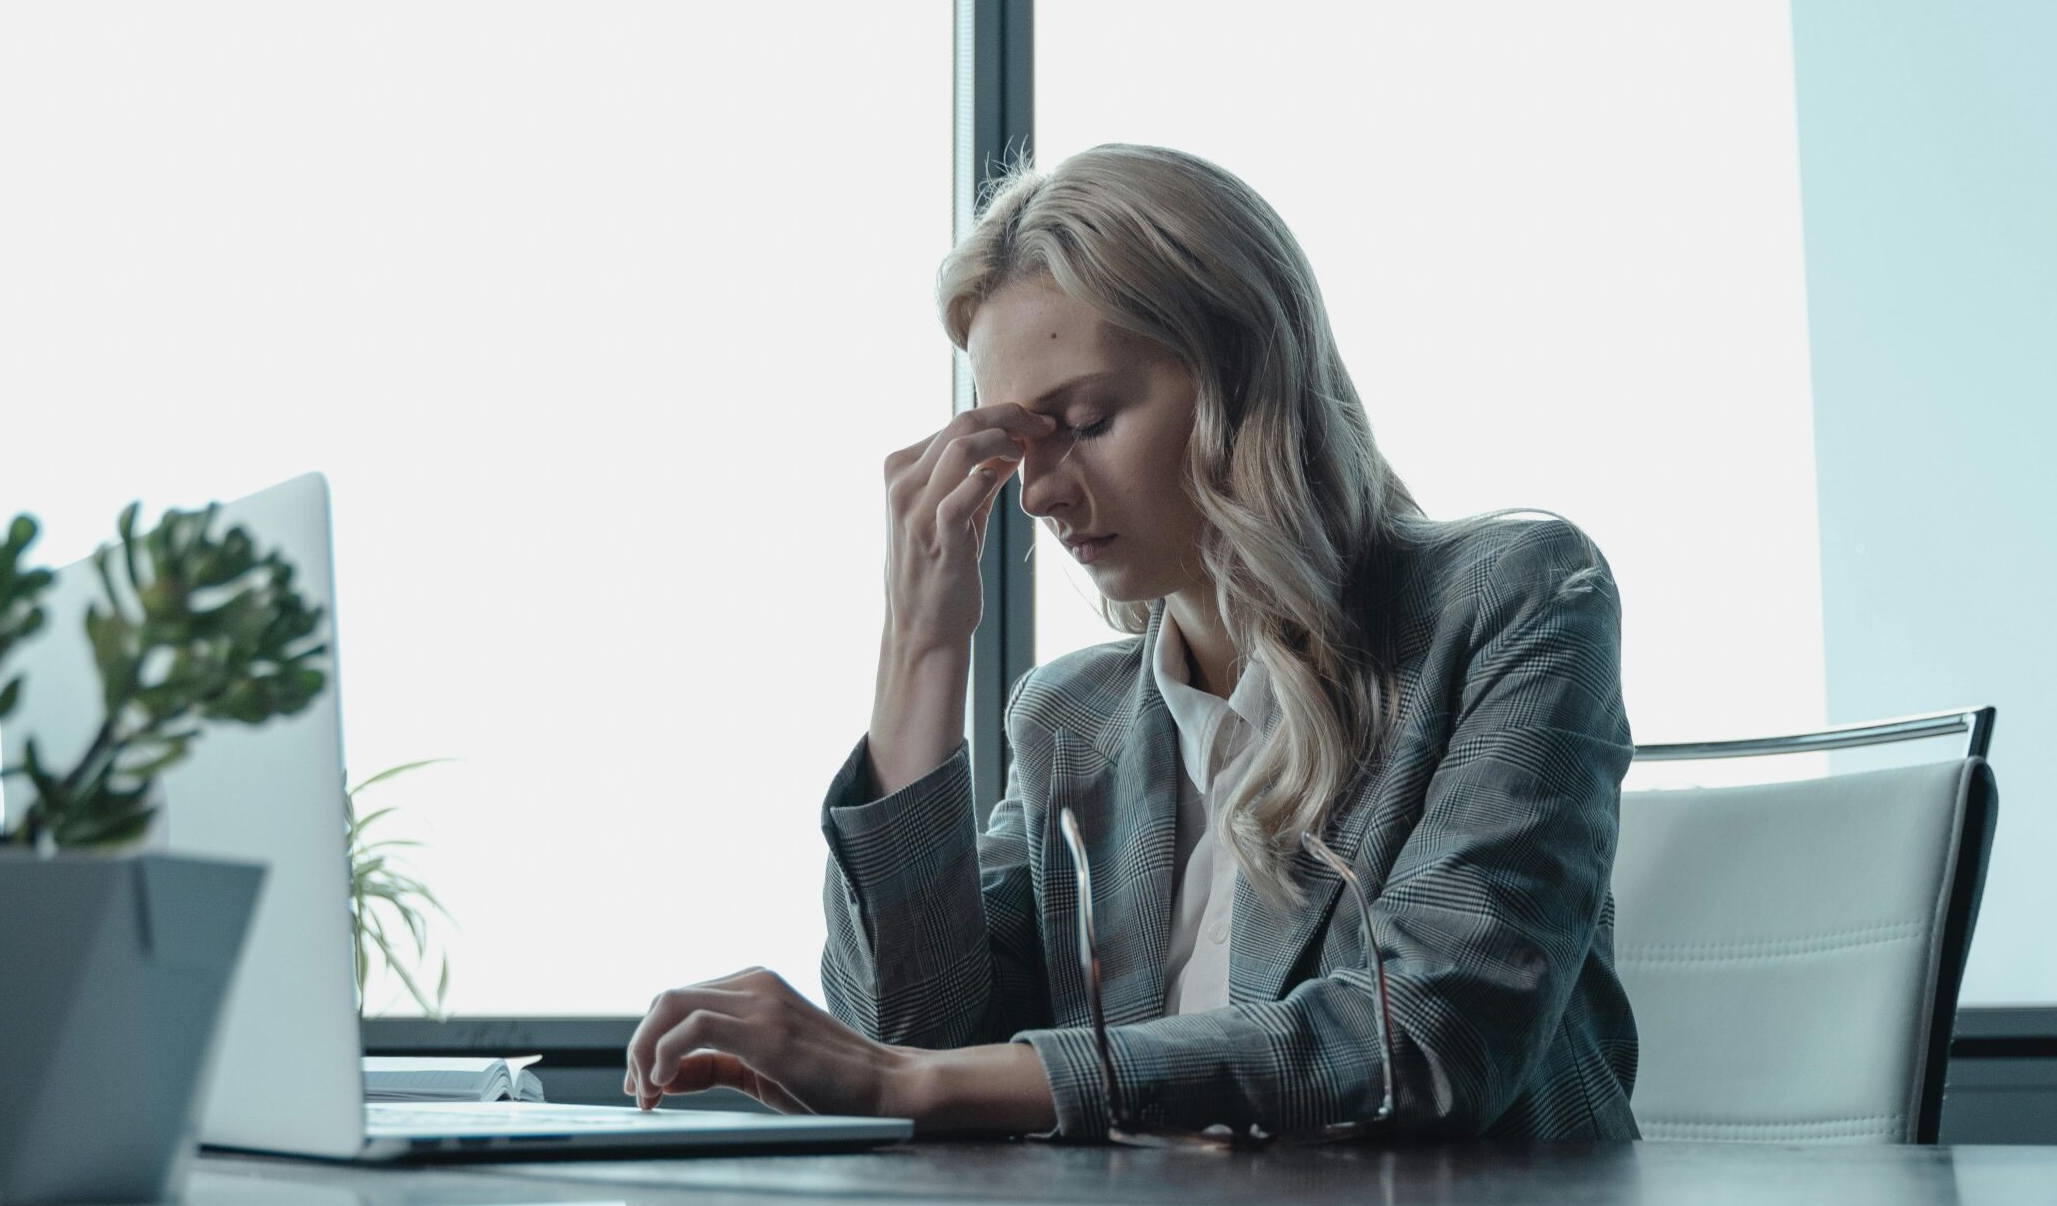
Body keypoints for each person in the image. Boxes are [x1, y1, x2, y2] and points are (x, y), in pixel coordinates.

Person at [624, 144, 1638, 1141]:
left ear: (1245, 382)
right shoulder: (1071, 721)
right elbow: (912, 1041)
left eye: (1086, 421)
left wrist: (908, 1080)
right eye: (1017, 444)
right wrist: (920, 651)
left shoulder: (1514, 599)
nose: (1039, 492)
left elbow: (1425, 1038)